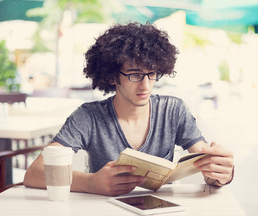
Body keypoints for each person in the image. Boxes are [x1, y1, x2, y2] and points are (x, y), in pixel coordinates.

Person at [24, 22, 234, 196]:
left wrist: (219, 174)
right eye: (135, 75)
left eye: (152, 74)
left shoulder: (173, 110)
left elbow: (205, 162)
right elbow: (34, 173)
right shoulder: (88, 117)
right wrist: (90, 183)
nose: (146, 85)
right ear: (112, 77)